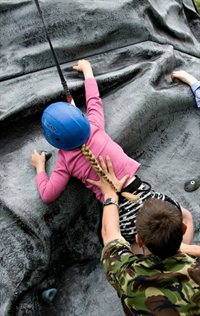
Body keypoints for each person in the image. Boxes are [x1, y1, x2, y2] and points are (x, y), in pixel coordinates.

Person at [32, 59, 198, 255]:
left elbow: (47, 194)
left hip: (120, 213)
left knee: (135, 246)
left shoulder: (64, 162)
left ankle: (149, 258)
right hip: (145, 197)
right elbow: (94, 101)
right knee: (185, 216)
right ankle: (180, 252)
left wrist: (40, 168)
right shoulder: (95, 126)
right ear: (81, 119)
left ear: (55, 141)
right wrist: (88, 71)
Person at [87, 156, 200, 315]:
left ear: (139, 239)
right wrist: (184, 248)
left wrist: (110, 195)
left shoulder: (128, 276)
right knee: (187, 214)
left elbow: (109, 235)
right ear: (182, 229)